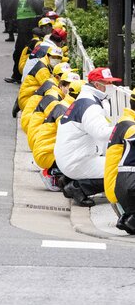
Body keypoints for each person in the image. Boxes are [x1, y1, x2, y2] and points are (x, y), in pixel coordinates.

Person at [54, 67, 121, 204]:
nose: (111, 86)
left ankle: (70, 180)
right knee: (120, 169)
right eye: (108, 83)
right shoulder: (91, 106)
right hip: (76, 160)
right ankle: (78, 188)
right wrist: (124, 128)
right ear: (97, 84)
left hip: (71, 157)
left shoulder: (85, 99)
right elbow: (102, 133)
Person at [4, 0, 45, 84]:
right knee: (18, 52)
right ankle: (16, 75)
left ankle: (27, 76)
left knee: (29, 51)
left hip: (31, 23)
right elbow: (9, 3)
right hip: (21, 24)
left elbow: (38, 5)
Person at [104, 89, 135, 233]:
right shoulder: (131, 128)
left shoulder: (124, 122)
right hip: (120, 189)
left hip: (116, 187)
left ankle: (129, 217)